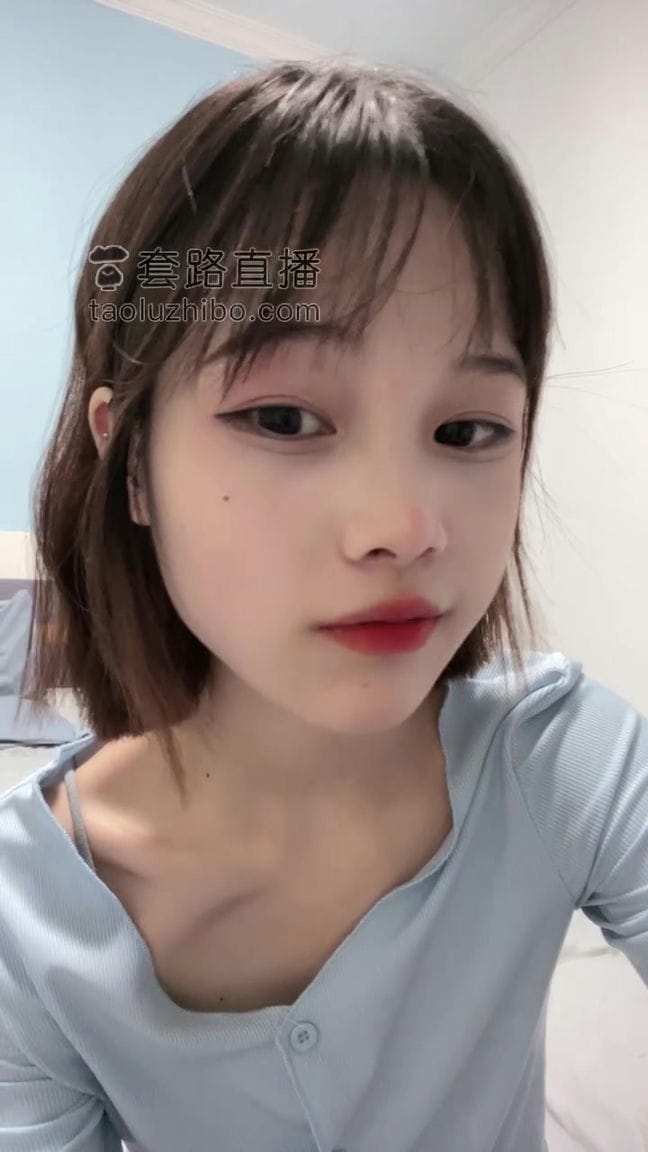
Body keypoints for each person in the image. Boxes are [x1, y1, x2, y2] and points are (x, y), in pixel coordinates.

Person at [2, 57, 646, 1152]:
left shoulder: (559, 763)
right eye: (286, 419)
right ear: (132, 465)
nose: (404, 526)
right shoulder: (27, 919)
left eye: (467, 430)